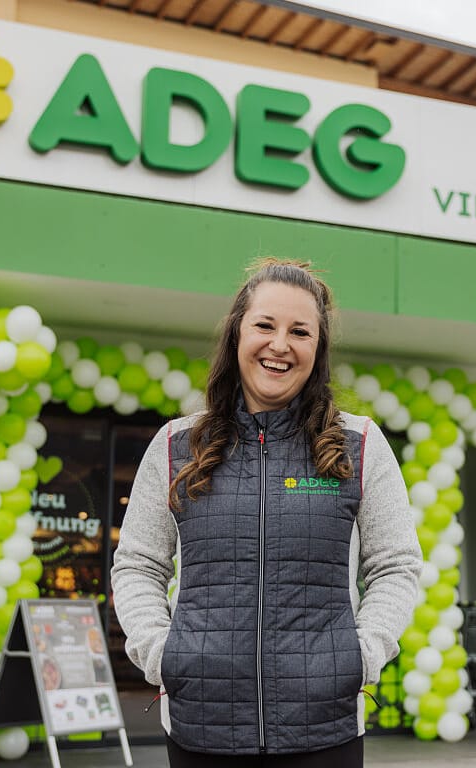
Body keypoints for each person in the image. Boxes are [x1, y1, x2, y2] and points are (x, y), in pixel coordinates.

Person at [112, 258, 422, 767]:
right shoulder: (176, 445)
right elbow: (138, 565)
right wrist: (163, 655)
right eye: (265, 325)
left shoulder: (358, 444)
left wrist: (360, 656)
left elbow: (396, 565)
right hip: (201, 727)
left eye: (300, 331)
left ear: (317, 349)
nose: (280, 345)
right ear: (237, 333)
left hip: (325, 729)